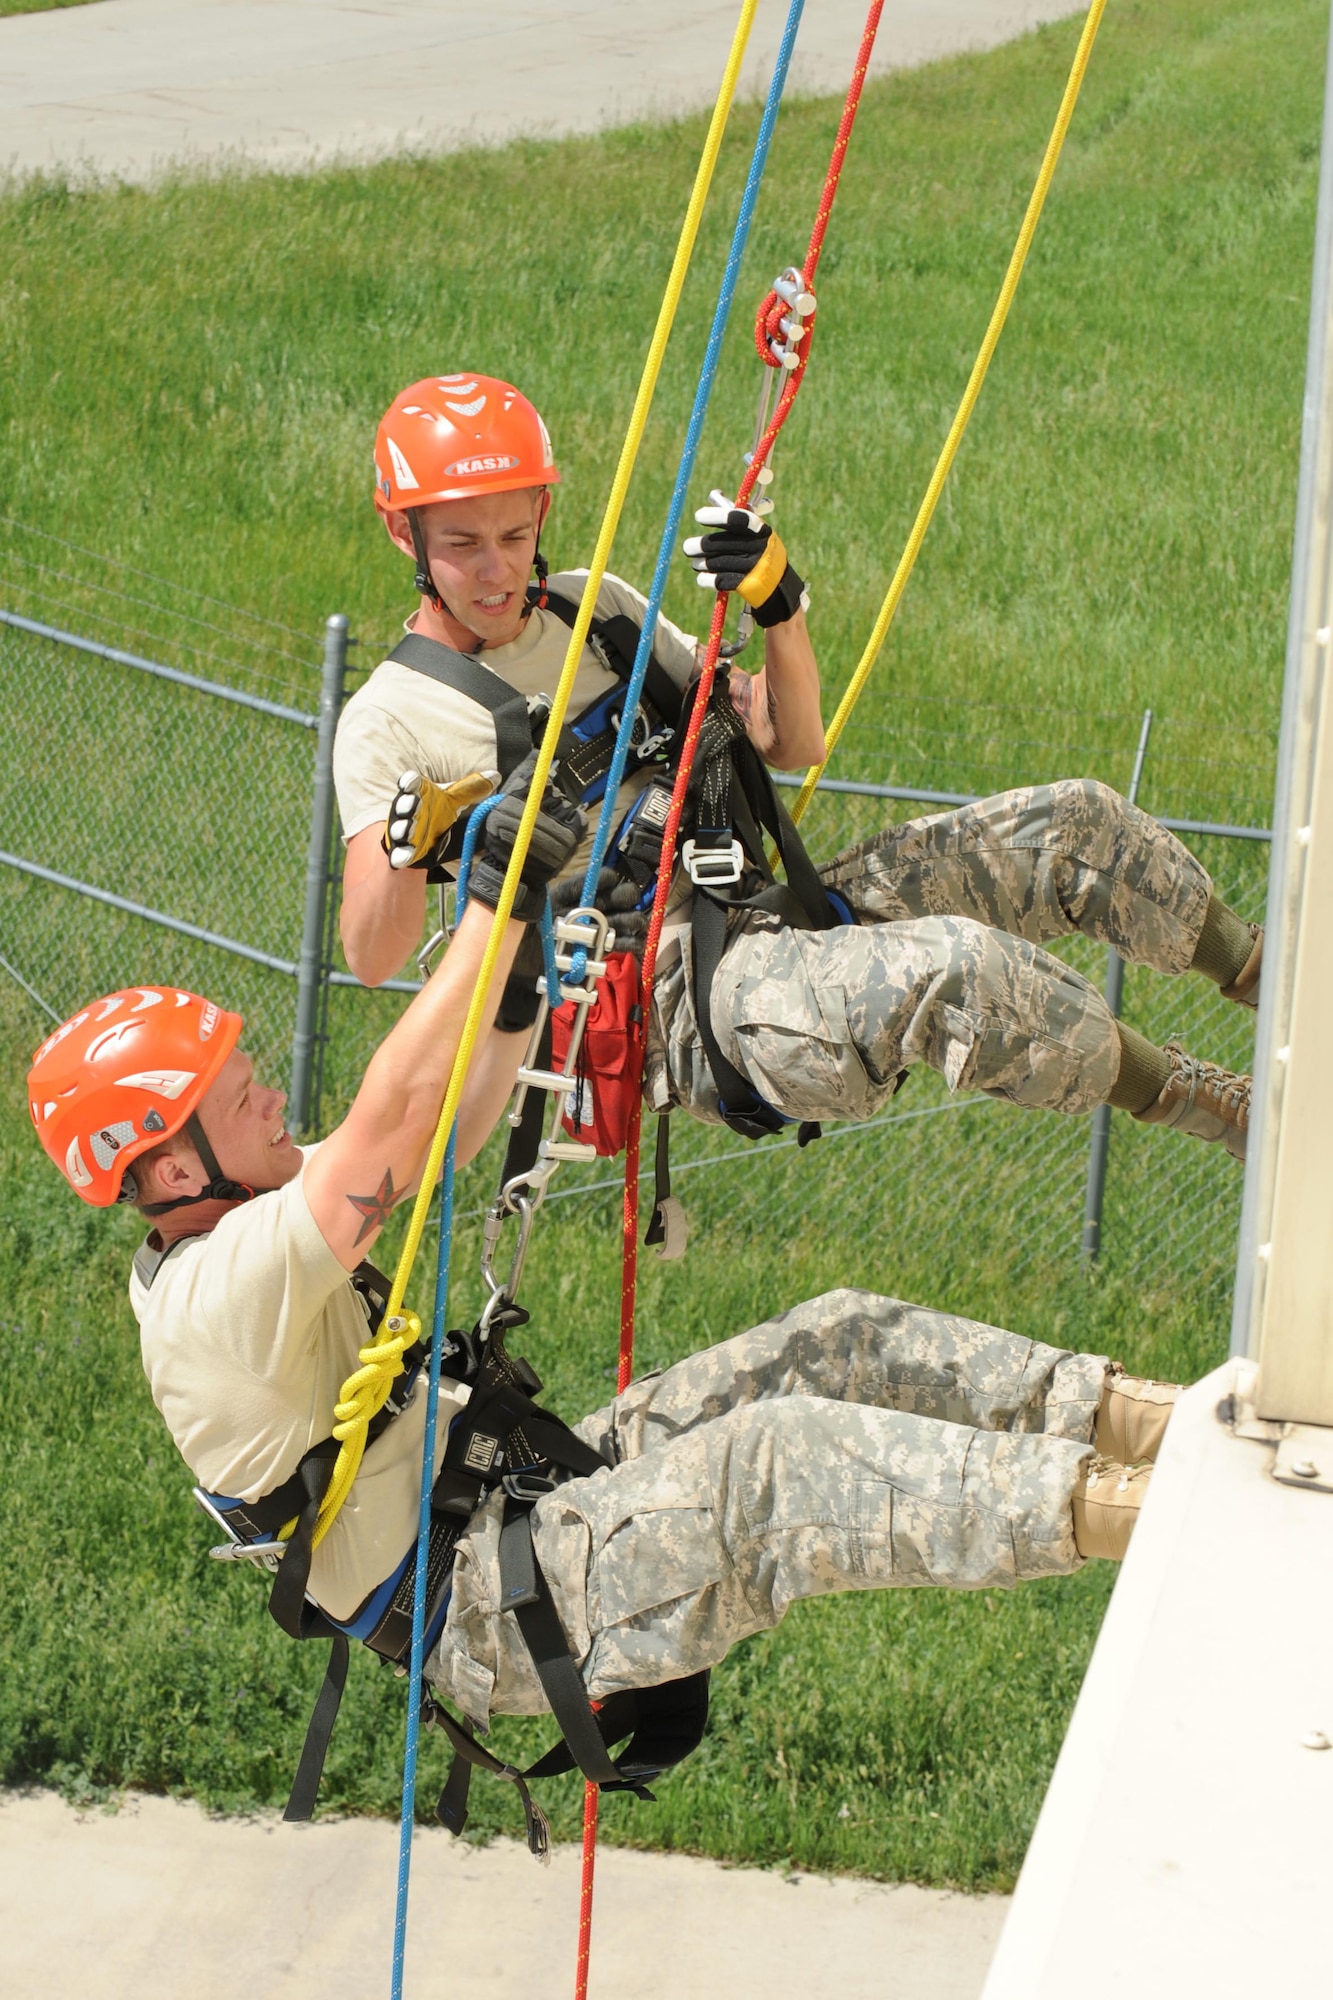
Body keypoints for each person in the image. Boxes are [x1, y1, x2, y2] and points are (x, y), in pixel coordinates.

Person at [28, 956, 1179, 1772]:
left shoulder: (242, 1214)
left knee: (834, 1339)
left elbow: (449, 1119)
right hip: (481, 1601)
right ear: (175, 1172)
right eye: (242, 1095)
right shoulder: (214, 1297)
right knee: (775, 1465)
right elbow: (385, 1119)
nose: (273, 1091)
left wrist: (528, 961)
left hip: (525, 1502)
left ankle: (1150, 1423)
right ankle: (1157, 1513)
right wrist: (488, 907)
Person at [333, 371, 1260, 1162]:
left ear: (541, 513)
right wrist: (413, 850)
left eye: (513, 534)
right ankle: (1218, 1111)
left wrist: (782, 612)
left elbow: (788, 741)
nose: (495, 569)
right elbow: (371, 957)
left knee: (1073, 827)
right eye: (460, 544)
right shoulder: (391, 719)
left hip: (764, 913)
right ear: (404, 538)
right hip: (673, 1012)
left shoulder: (598, 614)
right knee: (959, 969)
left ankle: (1267, 978)